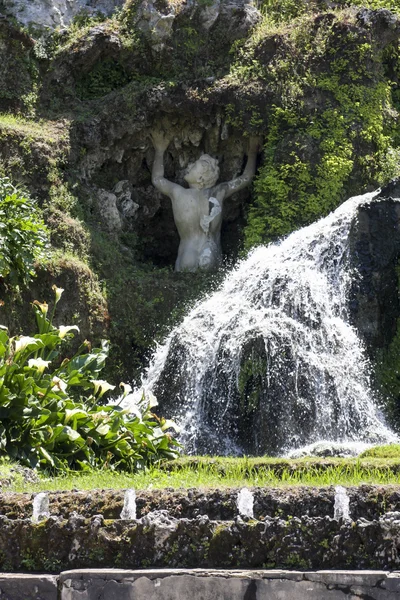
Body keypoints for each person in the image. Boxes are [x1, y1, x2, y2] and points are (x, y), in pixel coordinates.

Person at [151, 130, 260, 272]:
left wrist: (159, 150)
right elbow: (246, 177)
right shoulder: (219, 191)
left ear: (201, 179)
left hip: (187, 256)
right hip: (210, 253)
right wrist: (252, 151)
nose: (189, 167)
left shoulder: (178, 192)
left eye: (194, 166)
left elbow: (157, 179)